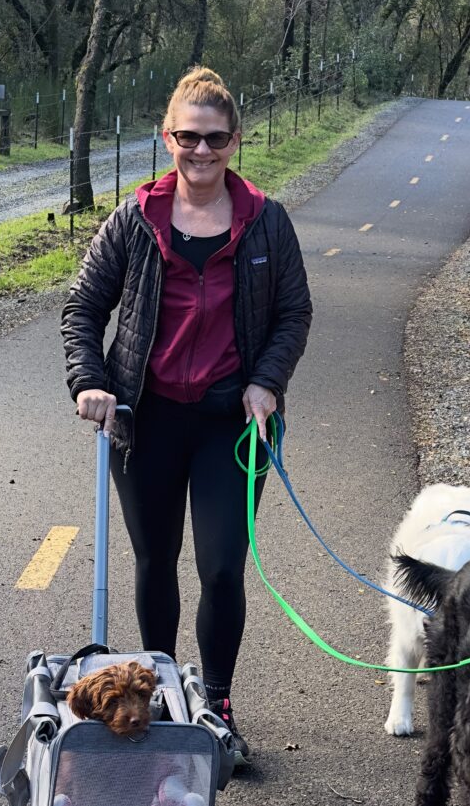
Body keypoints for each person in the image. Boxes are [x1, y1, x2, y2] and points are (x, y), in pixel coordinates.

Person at [61, 67, 313, 770]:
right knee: (154, 561)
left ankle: (220, 704)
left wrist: (267, 382)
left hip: (232, 423)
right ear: (166, 137)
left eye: (215, 139)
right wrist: (90, 382)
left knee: (224, 565)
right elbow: (83, 309)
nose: (201, 152)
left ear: (235, 141)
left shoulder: (266, 220)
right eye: (187, 137)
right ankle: (161, 692)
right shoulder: (135, 219)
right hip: (147, 419)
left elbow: (295, 312)